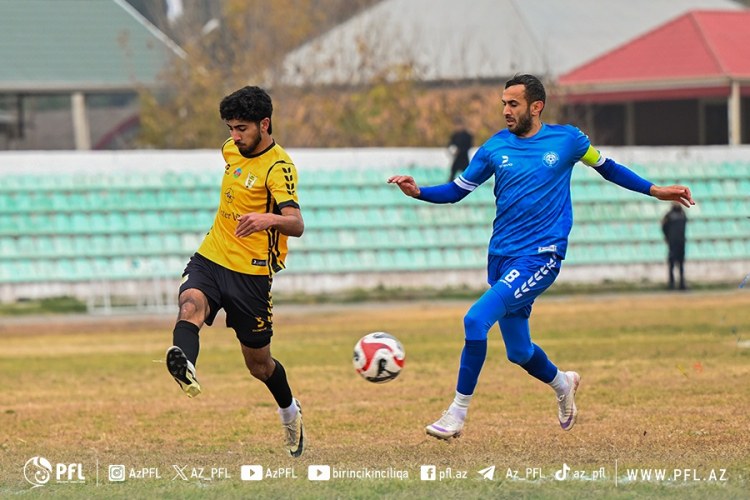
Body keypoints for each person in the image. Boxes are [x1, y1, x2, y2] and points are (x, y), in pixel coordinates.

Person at [388, 74, 694, 440]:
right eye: (503, 104)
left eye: (513, 104)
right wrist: (419, 191)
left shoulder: (568, 140)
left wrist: (655, 190)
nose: (506, 110)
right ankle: (563, 382)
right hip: (502, 257)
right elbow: (457, 191)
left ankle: (457, 413)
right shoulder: (494, 148)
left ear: (536, 107)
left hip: (541, 256)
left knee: (475, 320)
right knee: (519, 352)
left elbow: (608, 167)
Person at [165, 86, 305, 457]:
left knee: (259, 365)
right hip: (212, 256)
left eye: (242, 128)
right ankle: (185, 363)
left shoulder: (279, 168)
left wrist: (267, 219)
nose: (235, 136)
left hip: (251, 274)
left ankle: (289, 411)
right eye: (230, 128)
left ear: (265, 124)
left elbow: (296, 224)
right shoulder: (231, 150)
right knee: (190, 304)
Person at [661, 203, 687, 290]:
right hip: (673, 242)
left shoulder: (682, 214)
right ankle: (672, 284)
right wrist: (667, 237)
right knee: (672, 263)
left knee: (680, 264)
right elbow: (664, 227)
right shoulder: (670, 215)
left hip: (680, 242)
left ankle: (681, 283)